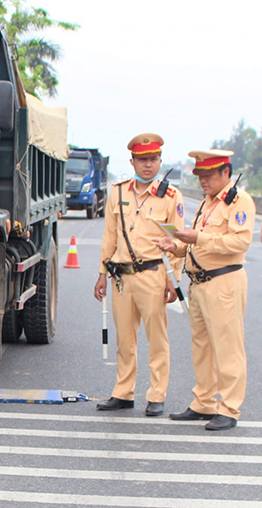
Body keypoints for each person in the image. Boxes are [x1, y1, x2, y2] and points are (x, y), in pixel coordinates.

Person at [154, 149, 255, 431]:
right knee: (202, 347)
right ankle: (204, 402)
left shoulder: (239, 201)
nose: (203, 181)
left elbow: (239, 243)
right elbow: (193, 242)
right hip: (199, 283)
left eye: (209, 176)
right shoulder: (208, 203)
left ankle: (230, 407)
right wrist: (174, 244)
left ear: (226, 173)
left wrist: (197, 236)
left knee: (227, 346)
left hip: (224, 282)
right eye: (200, 176)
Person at [93, 132, 184, 416]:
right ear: (132, 161)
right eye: (143, 160)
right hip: (121, 276)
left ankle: (156, 394)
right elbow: (109, 236)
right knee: (125, 339)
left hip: (153, 274)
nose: (148, 165)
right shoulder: (118, 192)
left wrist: (173, 279)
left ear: (160, 161)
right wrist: (101, 273)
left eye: (154, 159)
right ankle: (123, 392)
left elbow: (177, 240)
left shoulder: (171, 196)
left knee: (157, 339)